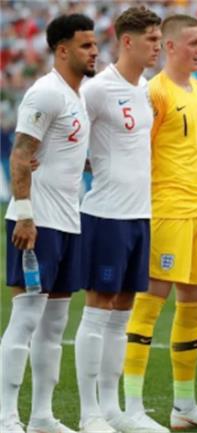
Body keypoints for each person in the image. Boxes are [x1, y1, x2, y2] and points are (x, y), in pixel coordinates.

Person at [122, 15, 197, 431]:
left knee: (195, 307)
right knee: (149, 305)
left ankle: (184, 405)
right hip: (168, 209)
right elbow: (140, 153)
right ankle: (132, 407)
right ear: (169, 46)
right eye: (193, 43)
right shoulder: (154, 92)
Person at [0, 14, 97, 433]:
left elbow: (65, 156)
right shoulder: (45, 93)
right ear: (62, 50)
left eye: (95, 44)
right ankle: (5, 416)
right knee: (26, 317)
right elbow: (21, 154)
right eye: (85, 45)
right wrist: (25, 213)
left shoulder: (77, 96)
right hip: (37, 222)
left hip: (68, 221)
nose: (94, 52)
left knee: (55, 324)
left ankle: (41, 416)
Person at [74, 7, 161, 433]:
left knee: (123, 311)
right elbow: (70, 140)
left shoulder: (144, 89)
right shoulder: (97, 90)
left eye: (159, 39)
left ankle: (112, 410)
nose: (158, 47)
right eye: (151, 39)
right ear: (127, 41)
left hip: (139, 214)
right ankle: (88, 412)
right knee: (98, 309)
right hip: (106, 215)